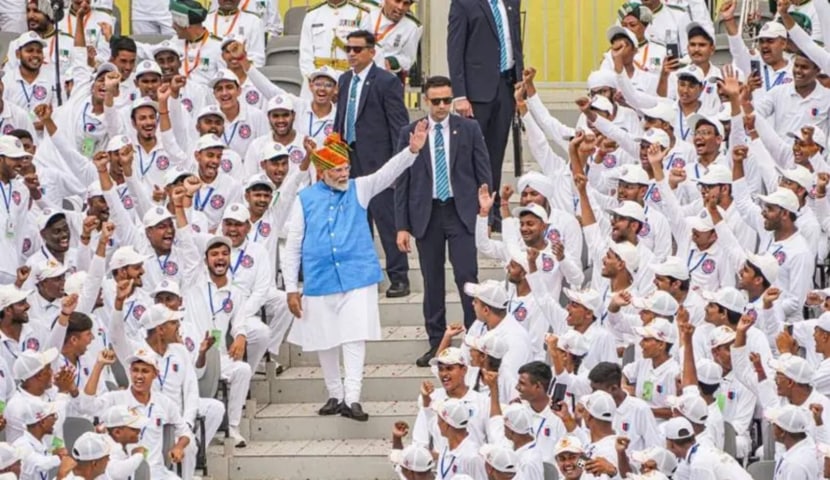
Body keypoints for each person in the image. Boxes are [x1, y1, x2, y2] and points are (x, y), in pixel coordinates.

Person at [284, 122, 428, 421]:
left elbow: (385, 173)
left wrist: (411, 151)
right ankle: (334, 394)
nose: (344, 173)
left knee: (353, 336)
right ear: (322, 171)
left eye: (346, 167)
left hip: (357, 274)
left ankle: (353, 398)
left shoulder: (358, 189)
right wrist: (290, 288)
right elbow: (293, 243)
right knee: (324, 338)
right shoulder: (305, 198)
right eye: (337, 169)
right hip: (319, 277)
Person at [394, 75, 491, 366]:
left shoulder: (468, 128)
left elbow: (483, 170)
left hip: (460, 210)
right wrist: (402, 225)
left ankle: (475, 339)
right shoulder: (411, 132)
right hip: (427, 212)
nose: (441, 106)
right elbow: (403, 179)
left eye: (446, 100)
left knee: (467, 277)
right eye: (435, 101)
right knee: (432, 279)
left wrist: (486, 211)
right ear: (425, 101)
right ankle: (436, 342)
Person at [334, 30, 410, 298]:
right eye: (348, 49)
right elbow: (341, 120)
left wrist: (397, 165)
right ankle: (365, 275)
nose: (351, 54)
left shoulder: (386, 82)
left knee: (387, 221)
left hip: (379, 162)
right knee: (357, 221)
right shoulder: (344, 80)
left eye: (357, 49)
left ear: (371, 51)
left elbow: (399, 125)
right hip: (350, 160)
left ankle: (399, 276)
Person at [447, 0, 523, 231]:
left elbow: (515, 43)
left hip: (506, 85)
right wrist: (459, 94)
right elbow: (455, 48)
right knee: (474, 155)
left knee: (496, 152)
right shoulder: (464, 4)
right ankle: (473, 211)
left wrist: (520, 83)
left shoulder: (510, 2)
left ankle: (491, 210)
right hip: (477, 91)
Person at [363, 0, 423, 81]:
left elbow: (408, 58)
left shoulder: (412, 26)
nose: (400, 7)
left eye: (406, 3)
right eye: (397, 1)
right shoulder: (366, 13)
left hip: (385, 78)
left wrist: (392, 62)